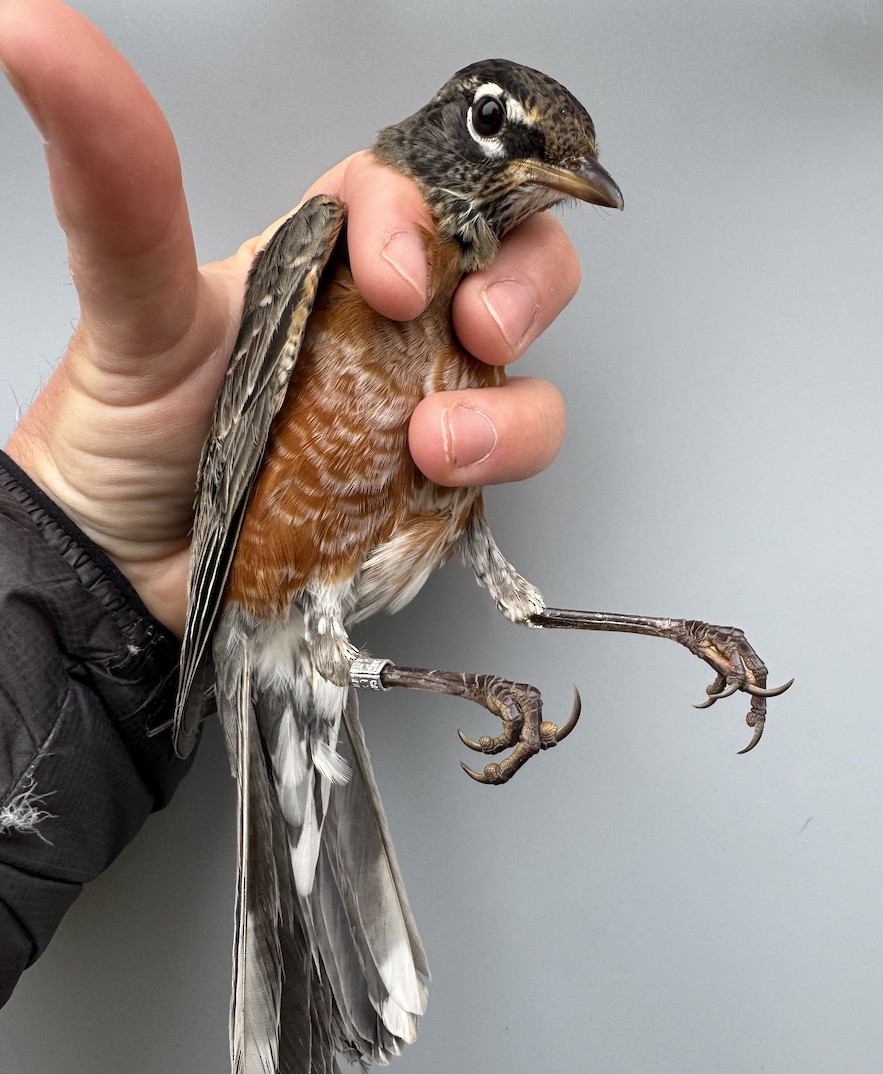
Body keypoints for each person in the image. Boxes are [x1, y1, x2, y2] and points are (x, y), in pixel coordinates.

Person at [0, 0, 582, 1005]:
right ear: (447, 116)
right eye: (499, 129)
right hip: (253, 610)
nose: (545, 174)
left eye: (563, 166)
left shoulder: (462, 295)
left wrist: (85, 600)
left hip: (228, 626)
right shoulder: (333, 242)